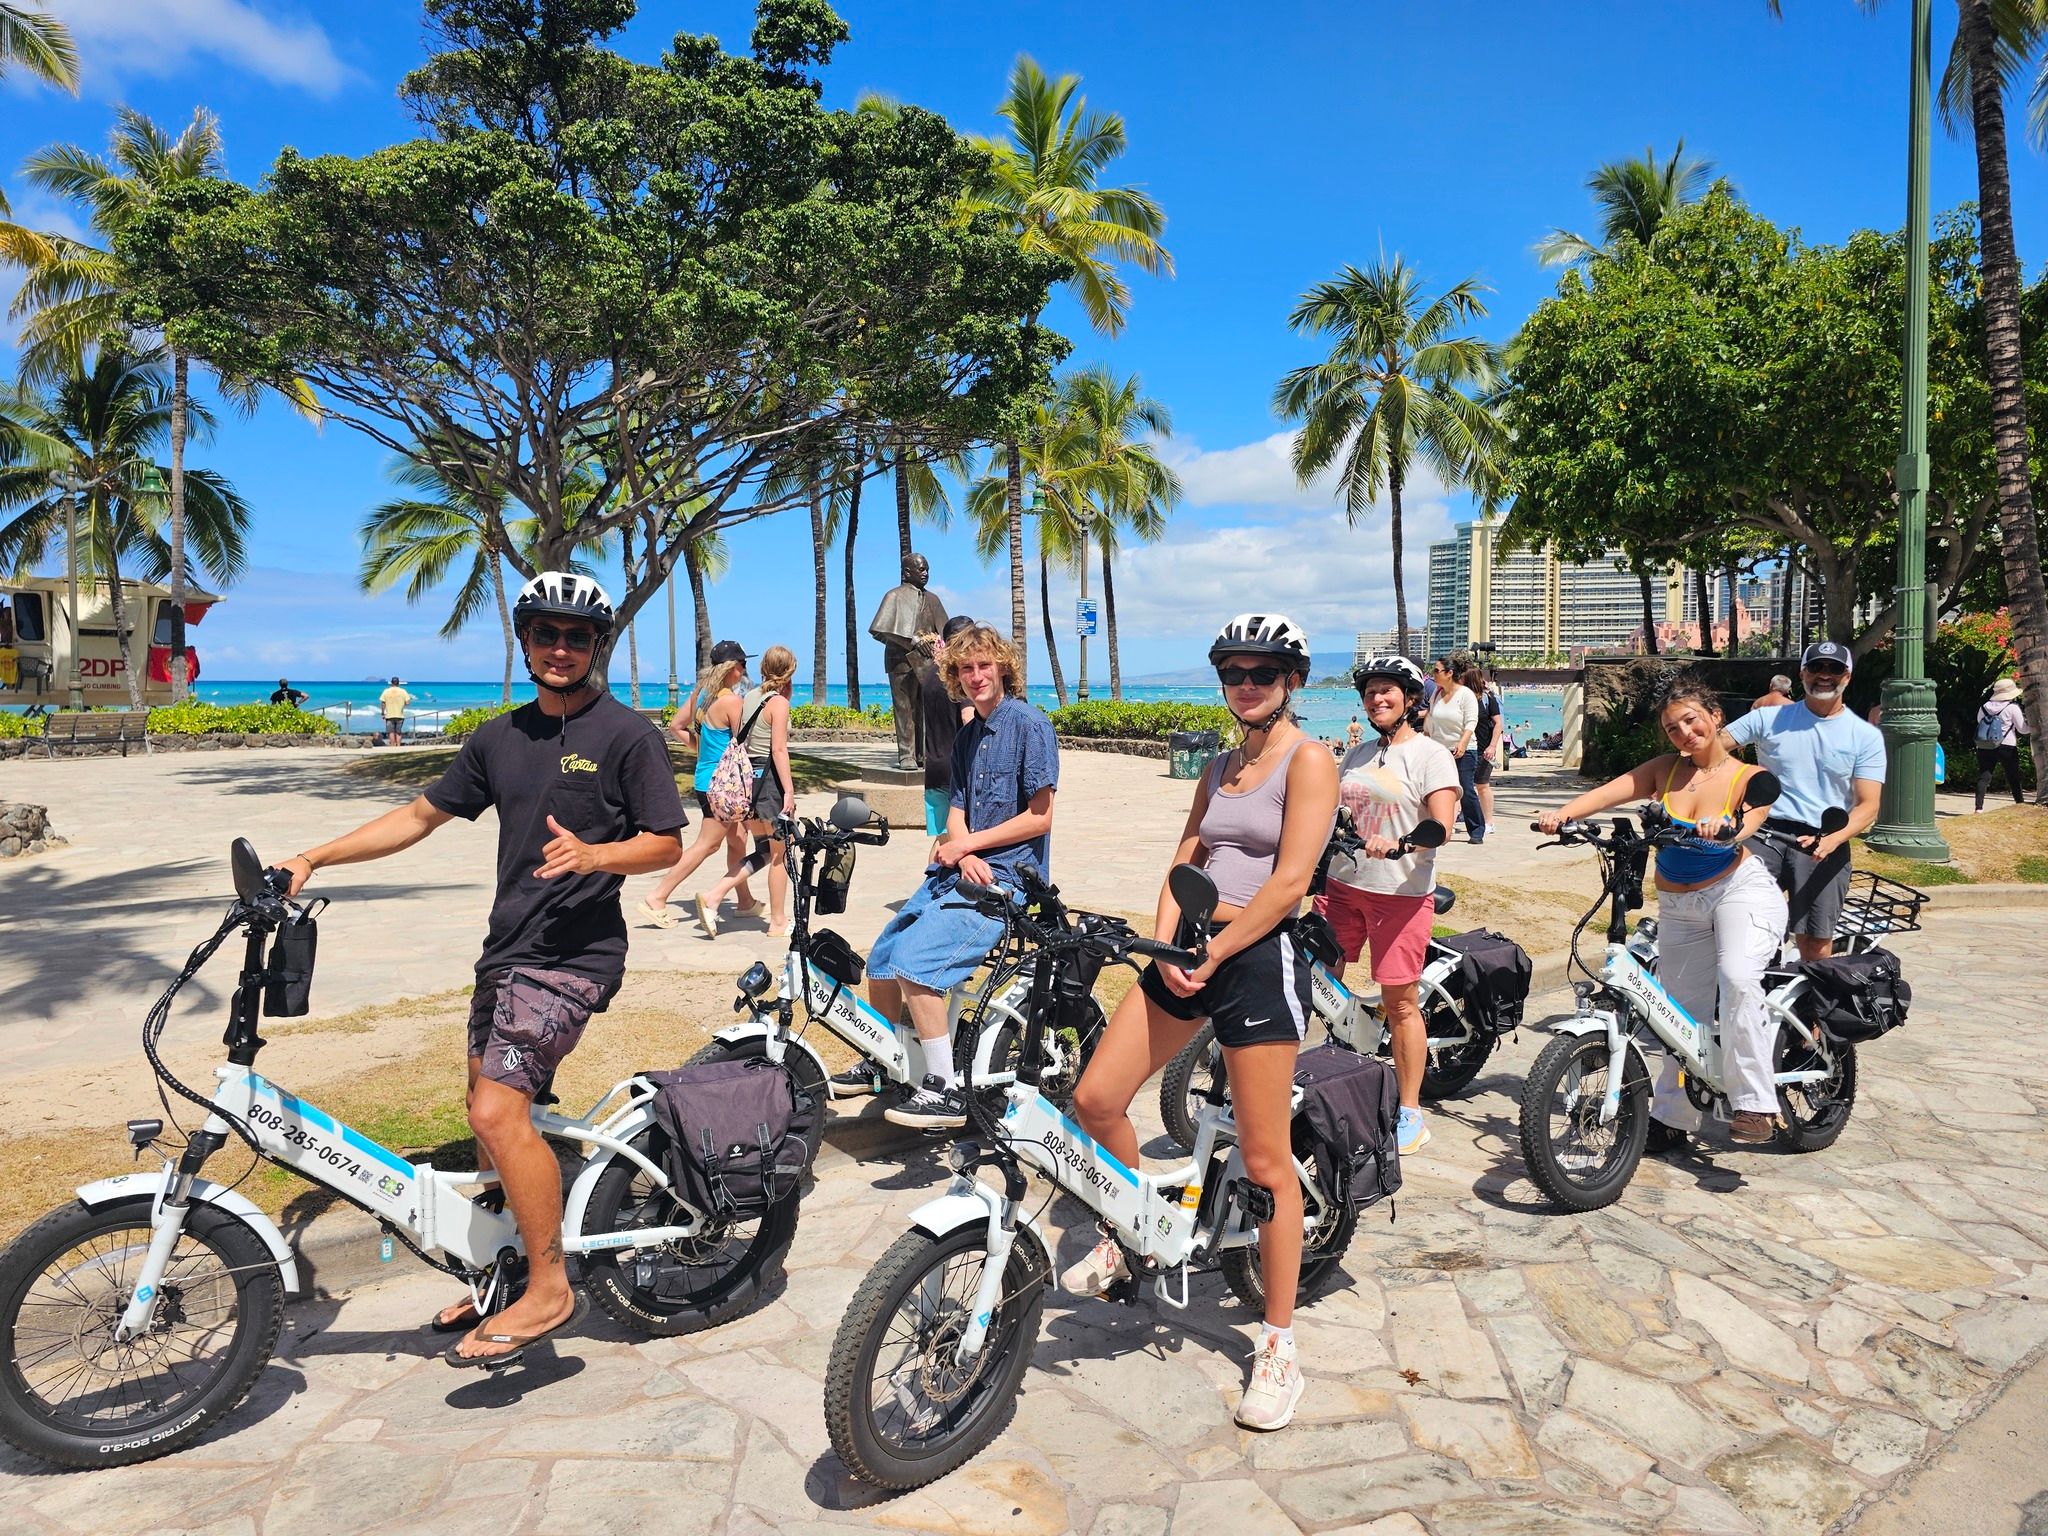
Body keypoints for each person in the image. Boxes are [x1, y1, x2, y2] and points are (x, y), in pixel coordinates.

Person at [278, 573, 683, 1364]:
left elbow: (667, 841)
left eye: (576, 637)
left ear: (596, 645)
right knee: (486, 1117)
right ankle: (506, 1266)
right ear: (526, 640)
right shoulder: (498, 738)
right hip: (507, 952)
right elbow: (417, 816)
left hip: (576, 956)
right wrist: (311, 856)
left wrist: (598, 854)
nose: (560, 649)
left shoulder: (627, 736)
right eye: (546, 635)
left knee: (500, 1112)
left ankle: (549, 1285)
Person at [1066, 613, 1337, 1432]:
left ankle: (1279, 1345)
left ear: (1290, 680)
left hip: (1258, 957)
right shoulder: (1219, 765)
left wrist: (1217, 952)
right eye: (1234, 673)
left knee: (1264, 1161)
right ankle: (1132, 1232)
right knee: (1097, 1097)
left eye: (1262, 673)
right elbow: (1185, 855)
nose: (1246, 685)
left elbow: (1290, 884)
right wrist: (1165, 942)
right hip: (1188, 948)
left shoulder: (1310, 759)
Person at [1539, 672, 1785, 1149]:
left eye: (1692, 721)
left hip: (1738, 891)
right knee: (1675, 1011)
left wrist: (1725, 827)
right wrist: (1563, 816)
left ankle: (1756, 1104)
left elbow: (1748, 822)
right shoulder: (1666, 770)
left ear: (1715, 718)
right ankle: (1674, 1116)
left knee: (1736, 979)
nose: (1684, 734)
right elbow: (1610, 791)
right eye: (1673, 728)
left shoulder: (1747, 777)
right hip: (1679, 903)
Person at [847, 626, 1057, 1123]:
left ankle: (945, 1088)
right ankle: (886, 1062)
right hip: (963, 869)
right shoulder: (967, 737)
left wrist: (967, 847)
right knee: (881, 959)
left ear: (1002, 667)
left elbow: (1040, 816)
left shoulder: (1029, 725)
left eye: (984, 666)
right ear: (955, 676)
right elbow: (958, 810)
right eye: (966, 669)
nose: (976, 676)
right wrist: (961, 852)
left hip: (1006, 881)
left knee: (915, 967)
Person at [1314, 656, 1458, 1154]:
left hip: (1399, 894)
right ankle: (1341, 1065)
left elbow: (1441, 823)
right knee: (1319, 982)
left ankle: (1411, 1112)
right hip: (1342, 887)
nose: (1378, 698)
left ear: (1410, 699)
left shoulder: (1430, 755)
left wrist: (1402, 843)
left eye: (1388, 691)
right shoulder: (1354, 755)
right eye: (1371, 691)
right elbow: (1328, 810)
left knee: (1399, 1002)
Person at [1722, 640, 1886, 962]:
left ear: (1847, 677)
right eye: (1816, 667)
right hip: (1764, 832)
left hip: (1823, 838)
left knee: (1813, 942)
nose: (1825, 675)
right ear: (1802, 673)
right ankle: (1751, 1004)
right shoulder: (1768, 719)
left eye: (1834, 668)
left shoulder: (1864, 736)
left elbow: (1869, 805)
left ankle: (1812, 1010)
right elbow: (1711, 749)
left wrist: (1833, 839)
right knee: (1742, 926)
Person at [639, 642, 758, 926]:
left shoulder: (702, 696)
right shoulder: (732, 702)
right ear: (731, 668)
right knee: (707, 844)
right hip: (725, 785)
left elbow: (675, 726)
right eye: (742, 664)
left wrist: (700, 749)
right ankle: (657, 896)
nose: (744, 670)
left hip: (707, 779)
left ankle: (745, 901)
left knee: (737, 838)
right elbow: (748, 744)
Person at [696, 645, 798, 937]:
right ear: (789, 671)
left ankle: (715, 895)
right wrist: (788, 792)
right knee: (780, 855)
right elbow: (778, 749)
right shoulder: (778, 703)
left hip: (747, 782)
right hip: (769, 783)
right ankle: (778, 922)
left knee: (765, 850)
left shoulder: (750, 696)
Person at [918, 615, 979, 861]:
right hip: (955, 772)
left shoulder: (931, 674)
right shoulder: (956, 679)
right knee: (953, 845)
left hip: (933, 768)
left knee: (942, 840)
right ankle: (932, 895)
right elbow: (969, 720)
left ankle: (926, 893)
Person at [1426, 657, 1484, 844]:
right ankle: (1438, 828)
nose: (1433, 674)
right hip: (1438, 751)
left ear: (1449, 673)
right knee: (1437, 790)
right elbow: (1431, 719)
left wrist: (1463, 742)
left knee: (1466, 790)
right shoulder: (1436, 693)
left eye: (1436, 670)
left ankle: (1476, 830)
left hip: (1463, 751)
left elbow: (1471, 721)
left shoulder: (1465, 694)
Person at [1975, 677, 2030, 811]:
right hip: (2007, 746)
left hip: (1985, 745)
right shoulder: (2012, 707)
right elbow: (2023, 729)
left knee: (1984, 776)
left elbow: (1979, 722)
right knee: (2013, 776)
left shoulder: (1984, 707)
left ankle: (1978, 808)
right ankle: (2019, 804)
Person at [1465, 662, 1501, 836]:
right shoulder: (1463, 699)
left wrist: (1492, 746)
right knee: (1461, 786)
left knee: (1482, 785)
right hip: (1465, 748)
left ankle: (1488, 822)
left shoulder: (1488, 699)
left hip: (1484, 748)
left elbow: (1498, 724)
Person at [378, 677, 412, 746]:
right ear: (398, 683)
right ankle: (398, 746)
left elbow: (383, 703)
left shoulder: (386, 691)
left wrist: (382, 713)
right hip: (399, 715)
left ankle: (393, 746)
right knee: (398, 732)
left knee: (391, 732)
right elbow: (408, 702)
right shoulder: (403, 691)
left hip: (389, 715)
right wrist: (402, 704)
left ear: (391, 683)